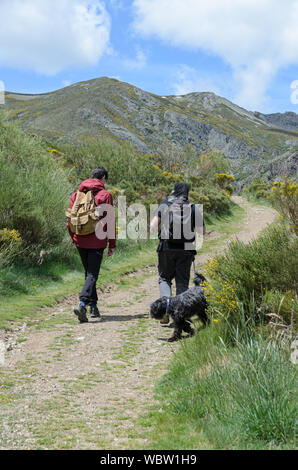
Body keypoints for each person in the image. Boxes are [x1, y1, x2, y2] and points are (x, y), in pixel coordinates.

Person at [150, 182, 205, 324]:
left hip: (166, 247)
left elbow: (153, 227)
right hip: (186, 249)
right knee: (182, 281)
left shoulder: (165, 204)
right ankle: (180, 316)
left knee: (164, 278)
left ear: (174, 191)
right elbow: (202, 231)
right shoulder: (193, 208)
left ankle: (165, 312)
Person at [67, 166, 116, 323]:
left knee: (89, 273)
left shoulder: (76, 194)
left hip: (80, 239)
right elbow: (109, 220)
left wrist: (74, 237)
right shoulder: (104, 195)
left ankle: (93, 307)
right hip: (97, 241)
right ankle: (82, 304)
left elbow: (70, 220)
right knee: (92, 274)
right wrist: (112, 243)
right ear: (103, 178)